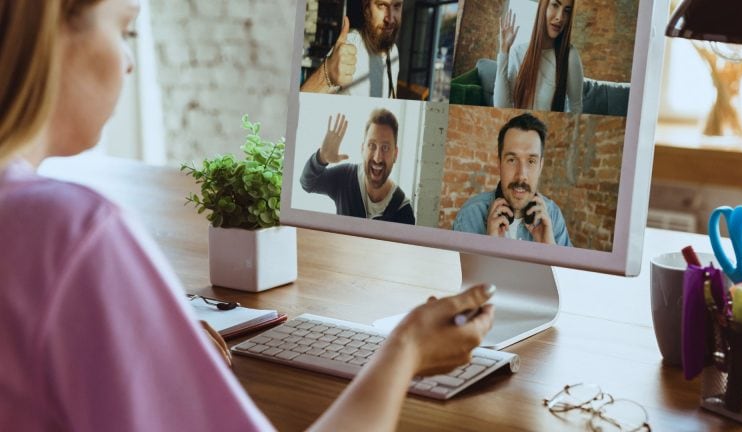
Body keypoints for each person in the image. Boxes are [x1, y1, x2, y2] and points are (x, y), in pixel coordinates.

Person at [0, 1, 494, 431]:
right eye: (124, 28)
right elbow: (310, 179)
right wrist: (405, 351)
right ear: (48, 35)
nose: (129, 62)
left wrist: (145, 347)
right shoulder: (71, 234)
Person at [453, 113, 572, 246]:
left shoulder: (554, 216)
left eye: (531, 161)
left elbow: (568, 267)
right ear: (499, 163)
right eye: (512, 160)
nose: (521, 175)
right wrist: (490, 246)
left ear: (540, 166)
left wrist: (550, 248)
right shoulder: (470, 215)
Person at [300, 109, 415, 224]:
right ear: (362, 149)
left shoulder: (404, 212)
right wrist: (321, 158)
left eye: (385, 147)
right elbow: (308, 184)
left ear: (395, 154)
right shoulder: (345, 177)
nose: (377, 158)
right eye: (372, 145)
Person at [493, 0, 584, 113]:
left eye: (567, 11)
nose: (560, 17)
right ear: (543, 7)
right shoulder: (518, 52)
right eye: (555, 5)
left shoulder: (570, 55)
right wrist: (504, 50)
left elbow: (575, 107)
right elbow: (501, 108)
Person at [301, 0, 403, 98]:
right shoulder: (349, 46)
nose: (390, 19)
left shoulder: (393, 52)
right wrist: (327, 72)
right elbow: (298, 106)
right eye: (382, 5)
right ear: (366, 7)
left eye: (397, 6)